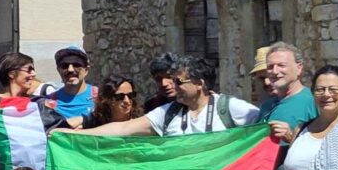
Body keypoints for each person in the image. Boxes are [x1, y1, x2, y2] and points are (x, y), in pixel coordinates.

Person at [85, 56, 258, 138]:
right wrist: (75, 134)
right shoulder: (168, 113)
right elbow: (124, 128)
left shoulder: (228, 108)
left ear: (200, 84)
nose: (173, 86)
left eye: (178, 81)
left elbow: (264, 125)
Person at [256, 42, 316, 132]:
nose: (275, 71)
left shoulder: (313, 102)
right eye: (270, 67)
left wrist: (291, 137)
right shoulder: (266, 106)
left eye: (281, 65)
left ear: (299, 68)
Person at [45, 46, 95, 125]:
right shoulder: (48, 103)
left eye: (76, 65)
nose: (70, 69)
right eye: (64, 66)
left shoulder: (100, 98)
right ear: (58, 70)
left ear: (86, 70)